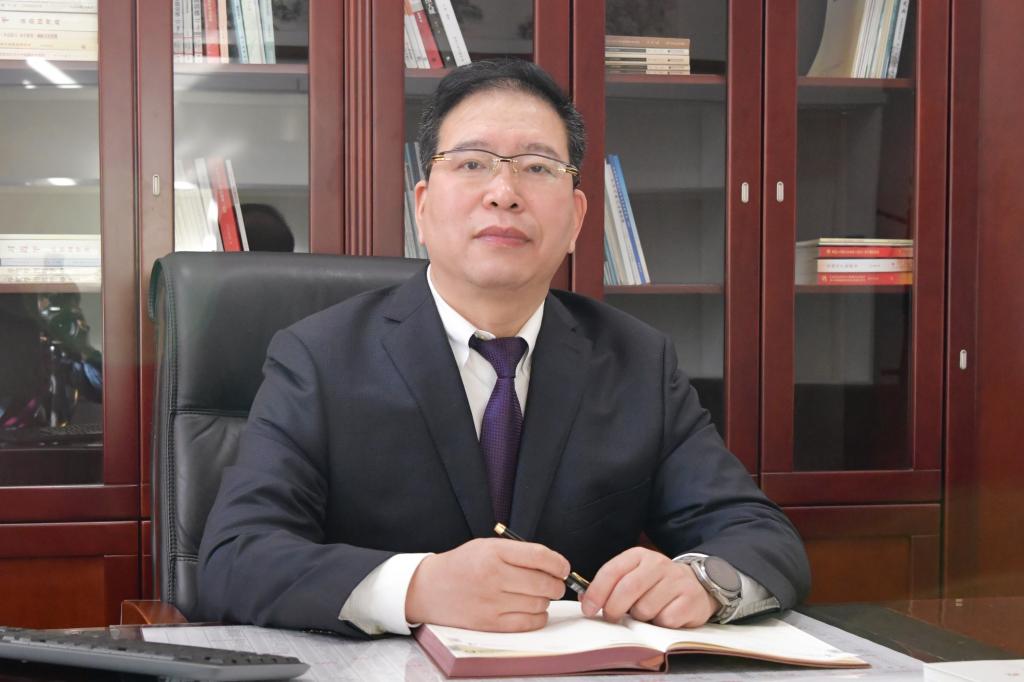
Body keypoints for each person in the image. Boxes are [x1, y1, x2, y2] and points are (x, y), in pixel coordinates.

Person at [197, 59, 810, 638]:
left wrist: (702, 581)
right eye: (471, 164)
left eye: (537, 168)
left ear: (576, 219)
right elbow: (236, 558)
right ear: (422, 206)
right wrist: (417, 587)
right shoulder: (319, 357)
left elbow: (760, 536)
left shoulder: (637, 362)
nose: (504, 192)